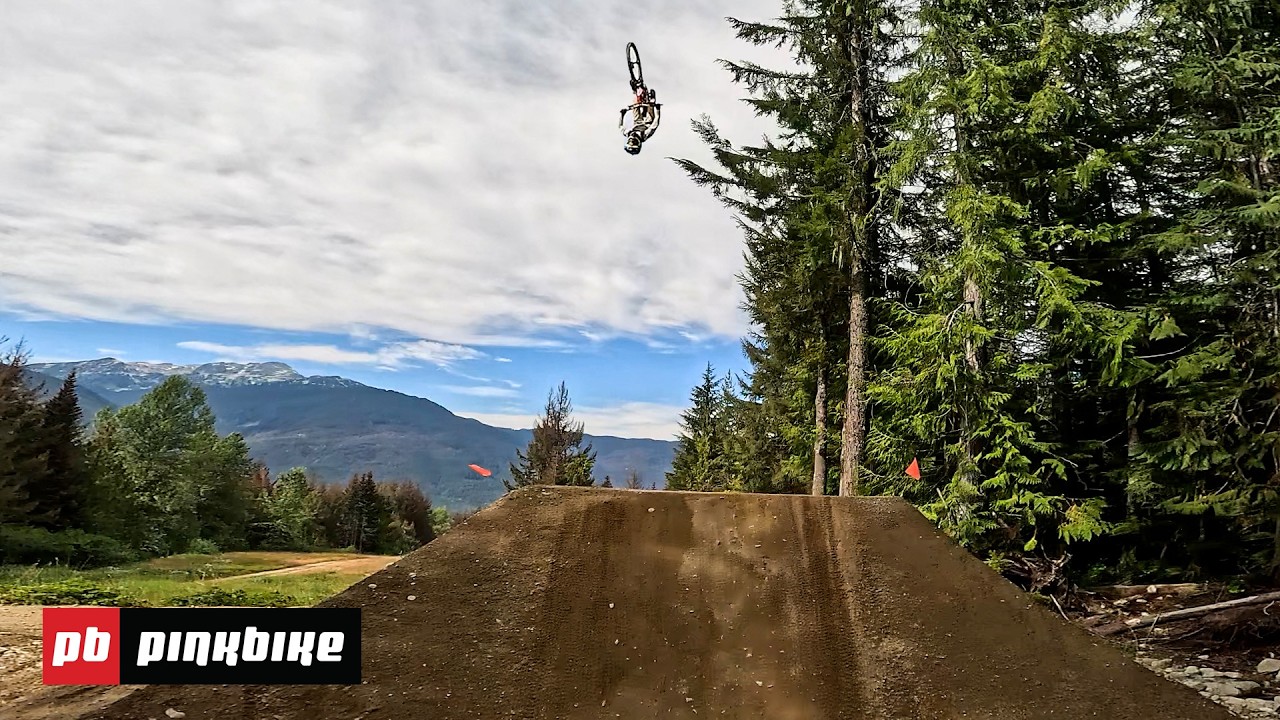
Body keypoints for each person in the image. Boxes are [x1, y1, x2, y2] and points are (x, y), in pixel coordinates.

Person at [619, 86, 661, 155]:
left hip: (637, 121)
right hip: (647, 122)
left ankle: (636, 94)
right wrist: (657, 110)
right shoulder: (644, 135)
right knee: (650, 114)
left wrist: (622, 114)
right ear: (639, 143)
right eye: (634, 142)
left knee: (635, 107)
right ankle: (651, 102)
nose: (632, 139)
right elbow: (655, 125)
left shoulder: (627, 133)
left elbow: (620, 126)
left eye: (630, 142)